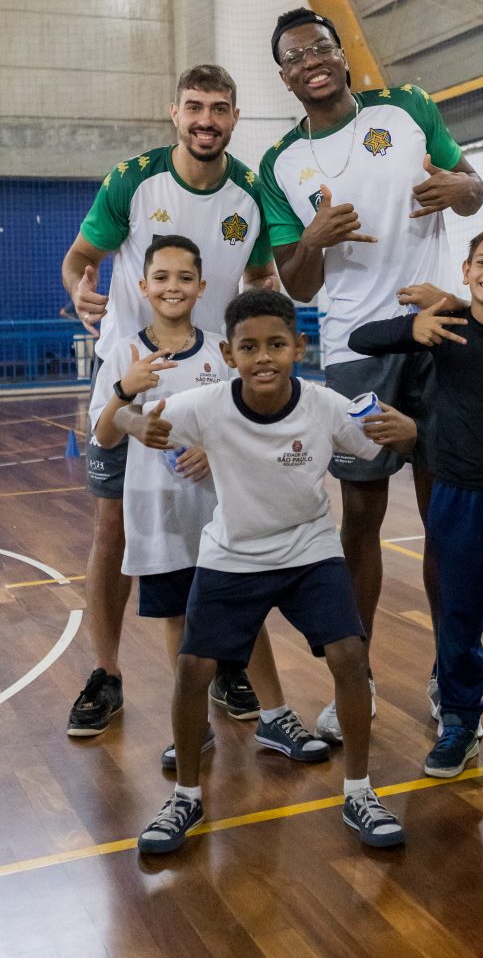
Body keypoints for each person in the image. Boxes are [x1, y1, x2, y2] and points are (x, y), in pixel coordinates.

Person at [114, 290, 415, 853]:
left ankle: (359, 791)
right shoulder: (205, 405)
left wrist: (409, 432)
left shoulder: (324, 404)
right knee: (193, 669)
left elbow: (378, 445)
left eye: (276, 344)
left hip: (310, 549)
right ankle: (185, 797)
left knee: (350, 656)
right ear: (229, 355)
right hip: (234, 553)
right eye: (249, 347)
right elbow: (123, 417)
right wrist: (134, 423)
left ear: (298, 347)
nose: (263, 357)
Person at [259, 6, 483, 740]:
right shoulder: (279, 164)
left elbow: (473, 187)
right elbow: (298, 285)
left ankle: (453, 681)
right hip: (357, 352)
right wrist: (314, 241)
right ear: (285, 77)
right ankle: (354, 681)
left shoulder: (409, 107)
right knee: (360, 516)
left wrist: (461, 191)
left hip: (438, 332)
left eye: (320, 48)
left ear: (342, 55)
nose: (311, 62)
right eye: (295, 57)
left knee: (444, 515)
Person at [62, 64, 278, 736]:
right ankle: (106, 673)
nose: (205, 120)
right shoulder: (134, 179)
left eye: (219, 108)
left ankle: (229, 664)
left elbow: (260, 275)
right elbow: (79, 258)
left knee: (225, 530)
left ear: (235, 117)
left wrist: (258, 331)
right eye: (194, 107)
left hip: (211, 387)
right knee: (112, 529)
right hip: (130, 383)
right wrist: (79, 290)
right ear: (174, 113)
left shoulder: (251, 192)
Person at [349, 229, 483, 783]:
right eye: (481, 262)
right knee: (458, 618)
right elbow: (362, 339)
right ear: (465, 271)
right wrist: (411, 327)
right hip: (453, 496)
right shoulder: (444, 329)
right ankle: (460, 723)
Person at [88, 235, 300, 770]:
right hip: (159, 518)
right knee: (178, 620)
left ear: (202, 287)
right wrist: (125, 391)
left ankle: (276, 716)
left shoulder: (219, 352)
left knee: (247, 614)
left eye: (185, 278)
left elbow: (246, 421)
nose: (173, 287)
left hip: (221, 516)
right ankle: (194, 726)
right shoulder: (123, 354)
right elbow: (103, 436)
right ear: (143, 286)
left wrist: (213, 448)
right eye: (161, 278)